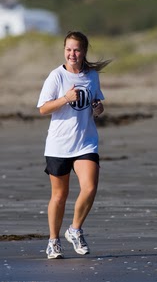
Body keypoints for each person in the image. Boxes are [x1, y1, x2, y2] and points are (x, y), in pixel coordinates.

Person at [37, 31, 111, 259]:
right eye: (68, 49)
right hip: (59, 145)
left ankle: (75, 229)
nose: (72, 54)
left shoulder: (91, 76)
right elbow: (43, 108)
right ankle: (53, 242)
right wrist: (65, 99)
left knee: (89, 187)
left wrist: (98, 109)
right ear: (64, 51)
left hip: (86, 142)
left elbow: (97, 104)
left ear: (84, 52)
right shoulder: (56, 77)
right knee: (59, 196)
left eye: (76, 50)